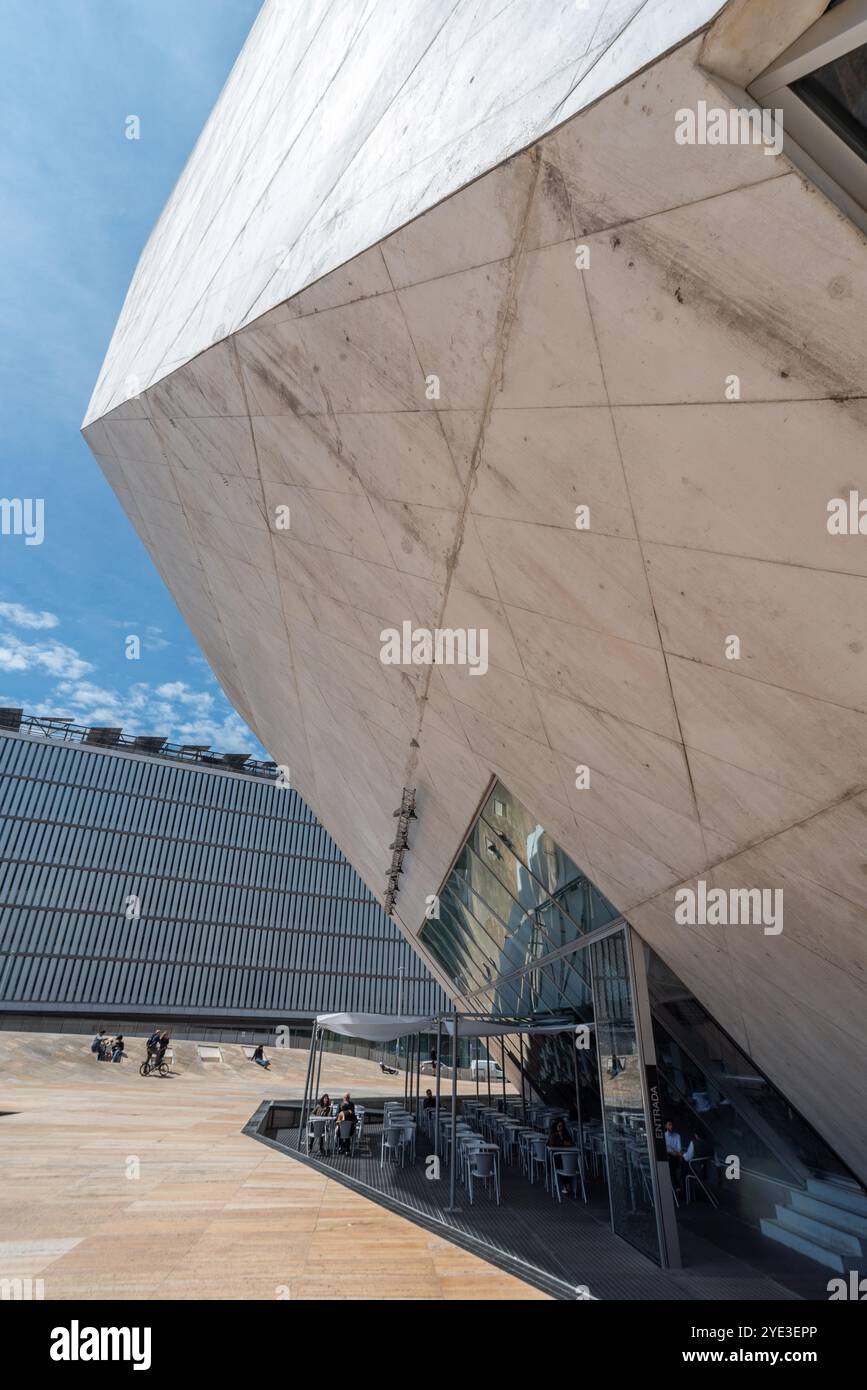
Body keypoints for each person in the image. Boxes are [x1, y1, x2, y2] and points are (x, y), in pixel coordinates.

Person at [548, 1118, 576, 1195]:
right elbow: (552, 1143)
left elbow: (570, 1143)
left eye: (562, 1126)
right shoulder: (553, 1135)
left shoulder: (566, 1133)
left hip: (568, 1157)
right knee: (561, 1164)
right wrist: (563, 1141)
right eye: (559, 1126)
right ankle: (566, 1185)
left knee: (567, 1164)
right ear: (555, 1126)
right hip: (557, 1157)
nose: (561, 1128)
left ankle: (567, 1185)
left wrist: (562, 1140)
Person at [665, 1119, 684, 1195]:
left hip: (675, 1156)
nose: (671, 1126)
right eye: (669, 1124)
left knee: (676, 1163)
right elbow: (666, 1149)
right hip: (668, 1156)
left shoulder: (677, 1135)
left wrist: (674, 1152)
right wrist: (671, 1151)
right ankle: (676, 1187)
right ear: (666, 1126)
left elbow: (679, 1148)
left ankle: (678, 1187)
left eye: (672, 1125)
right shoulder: (664, 1136)